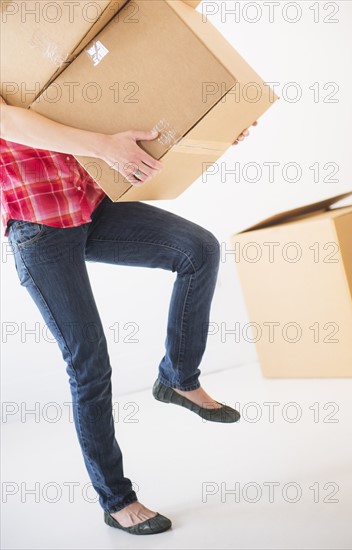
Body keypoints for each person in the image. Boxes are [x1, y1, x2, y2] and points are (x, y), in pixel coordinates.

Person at [0, 93, 256, 535]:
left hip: (90, 203)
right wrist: (102, 145)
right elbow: (9, 123)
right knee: (89, 365)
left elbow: (104, 104)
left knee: (197, 250)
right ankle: (117, 501)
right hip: (38, 226)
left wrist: (208, 138)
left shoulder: (33, 40)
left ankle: (178, 377)